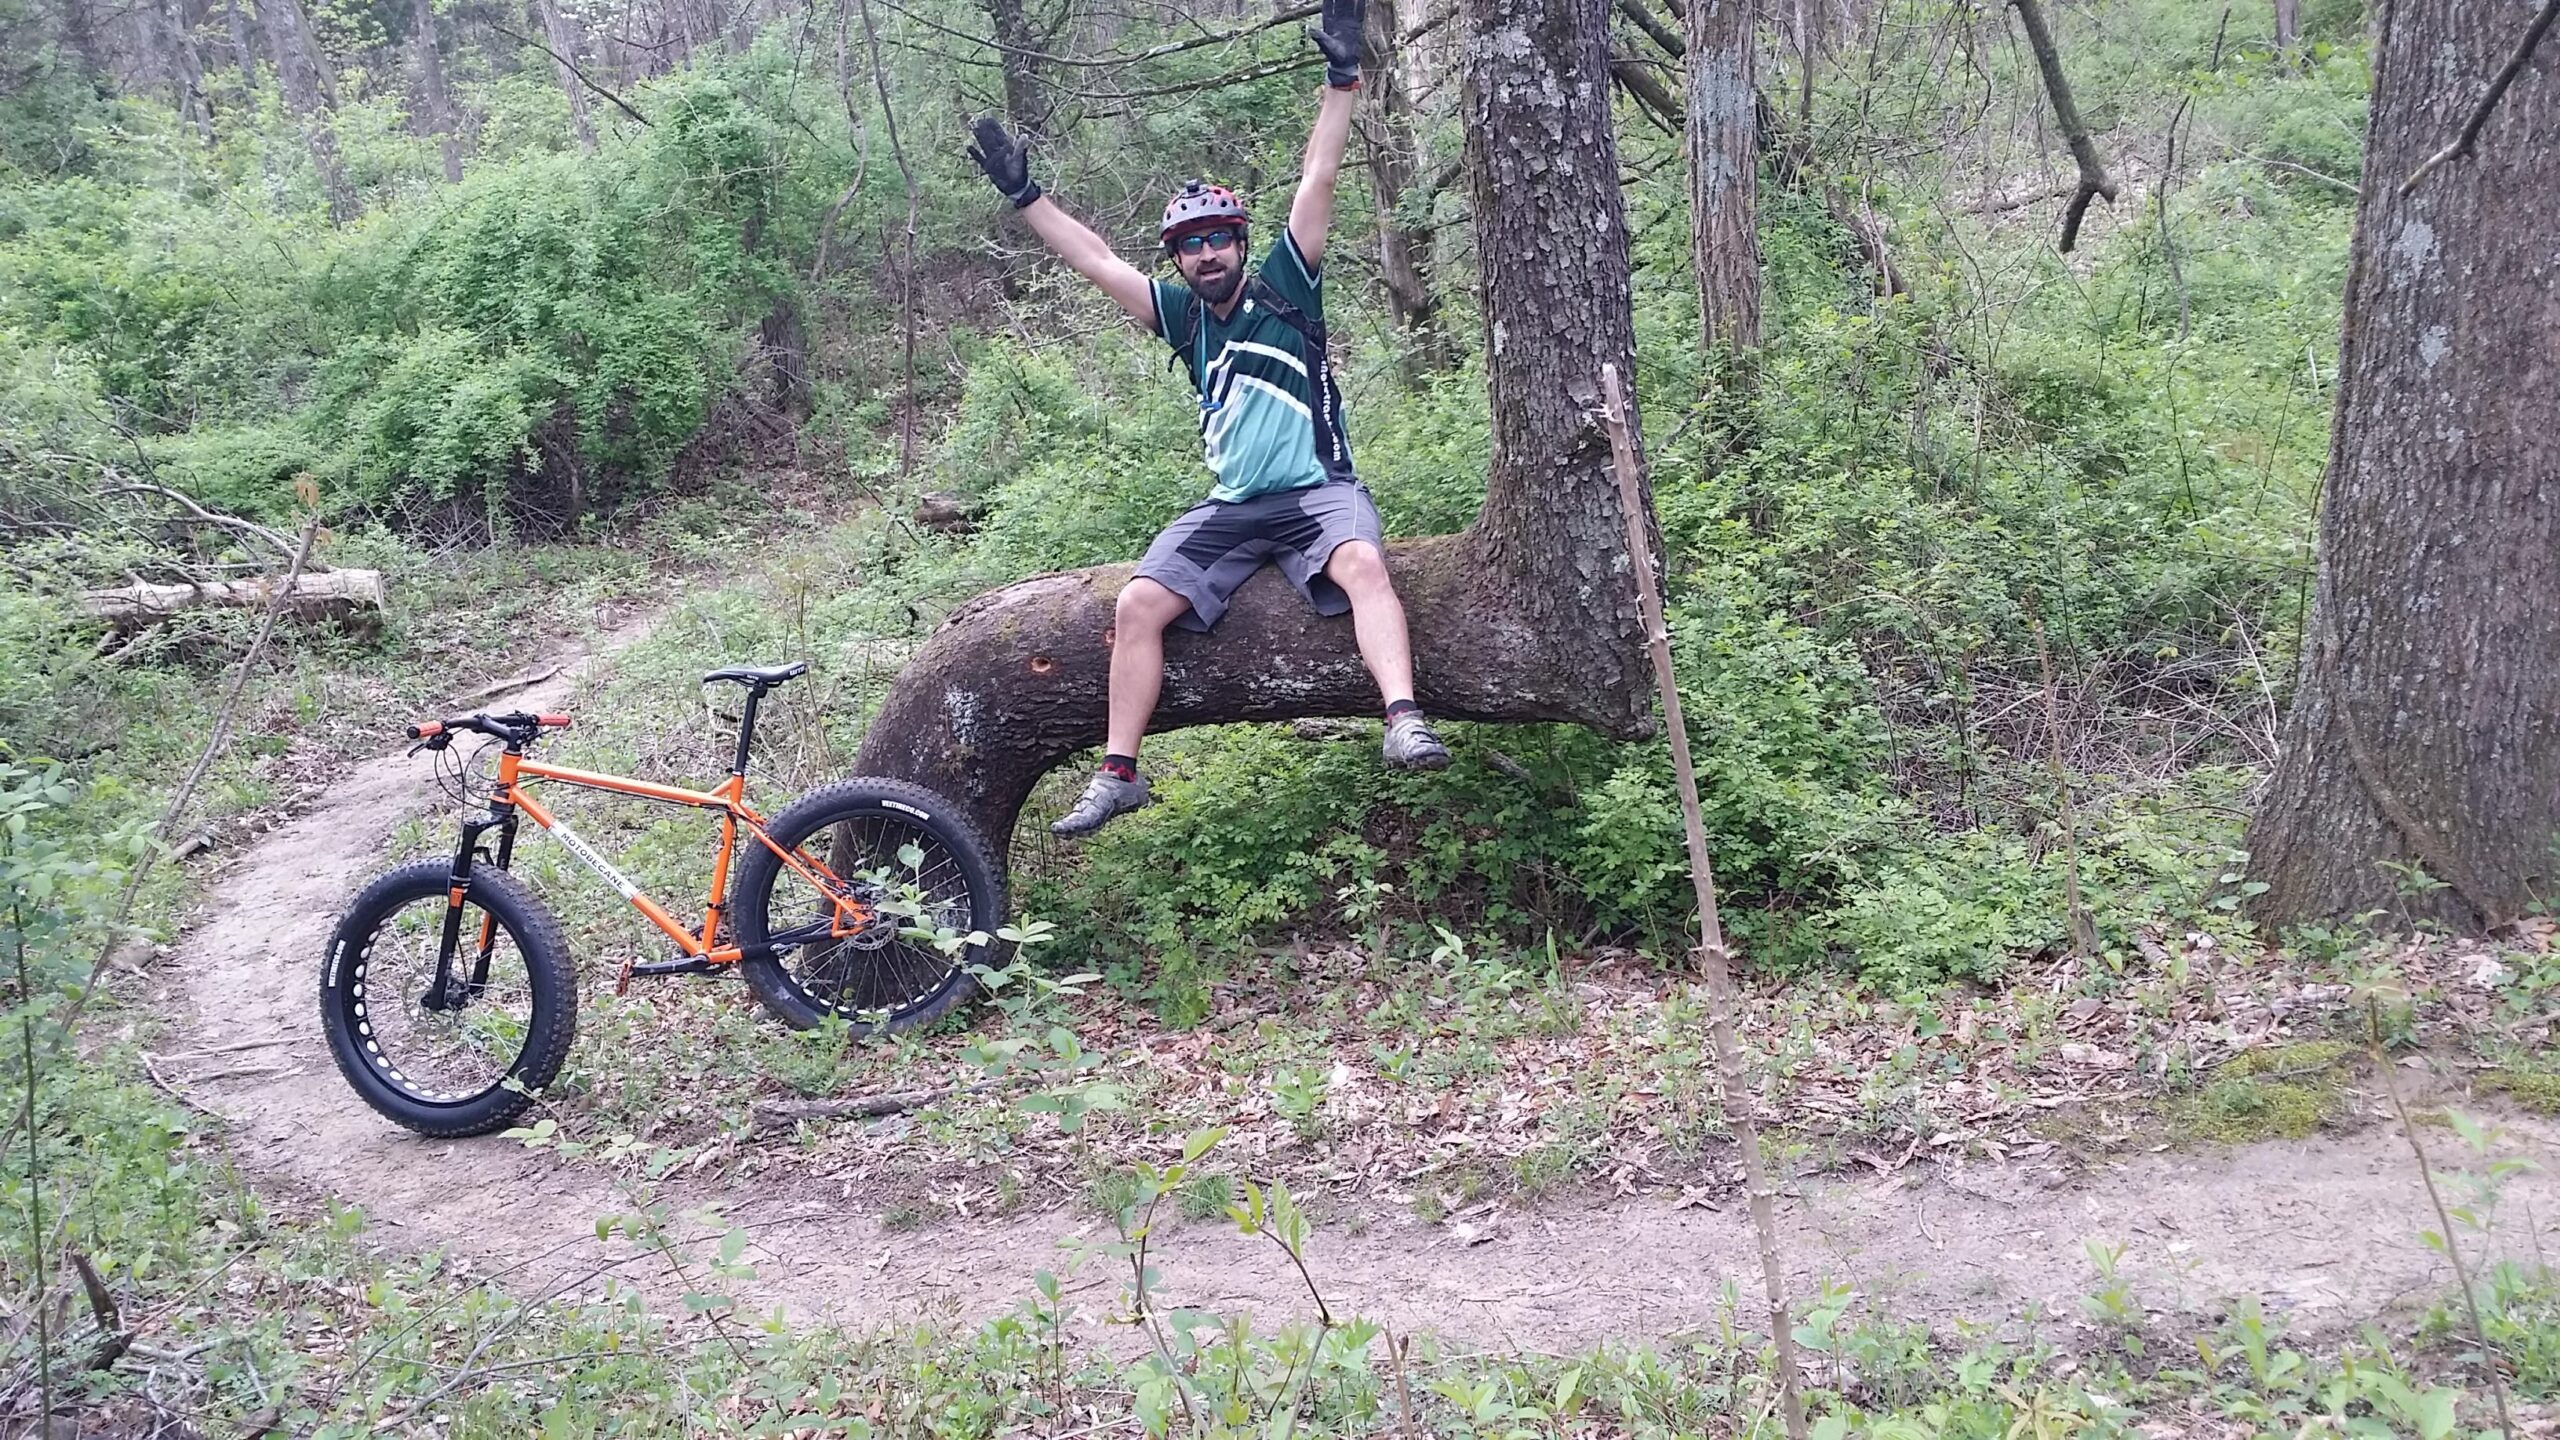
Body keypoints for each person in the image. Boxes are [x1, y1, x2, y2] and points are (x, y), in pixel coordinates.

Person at [964, 0, 1450, 839]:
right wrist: (1025, 196)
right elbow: (1093, 258)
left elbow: (1318, 178)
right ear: (1180, 260)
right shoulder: (1182, 318)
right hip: (1232, 506)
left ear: (1238, 239)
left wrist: (1342, 80)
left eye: (1219, 237)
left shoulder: (1284, 284)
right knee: (1138, 604)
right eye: (1191, 245)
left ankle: (1403, 717)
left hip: (1314, 491)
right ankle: (1118, 772)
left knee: (1365, 562)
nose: (1208, 253)